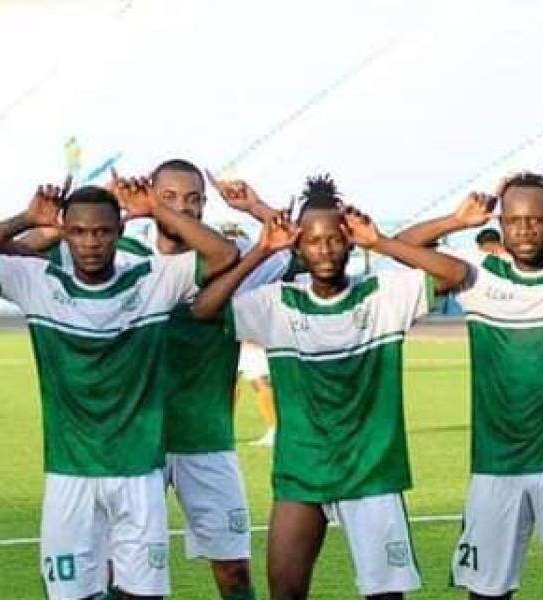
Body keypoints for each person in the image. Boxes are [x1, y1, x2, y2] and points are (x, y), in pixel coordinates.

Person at [0, 181, 239, 600]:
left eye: (102, 231)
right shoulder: (38, 281)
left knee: (143, 595)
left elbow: (224, 255)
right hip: (70, 476)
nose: (90, 242)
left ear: (119, 233)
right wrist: (28, 219)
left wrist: (157, 207)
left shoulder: (154, 280)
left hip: (139, 473)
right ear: (64, 233)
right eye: (79, 232)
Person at [190, 175, 468, 600]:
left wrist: (381, 242)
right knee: (284, 591)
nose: (325, 250)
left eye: (336, 240)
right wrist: (264, 248)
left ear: (350, 242)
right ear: (298, 247)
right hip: (301, 475)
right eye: (314, 241)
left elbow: (455, 272)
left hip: (371, 474)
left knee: (385, 596)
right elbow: (204, 309)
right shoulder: (275, 303)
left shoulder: (383, 296)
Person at [41, 161, 288, 599]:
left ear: (205, 204)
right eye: (169, 197)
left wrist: (256, 207)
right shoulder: (124, 258)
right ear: (150, 196)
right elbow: (46, 247)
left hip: (205, 440)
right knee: (120, 576)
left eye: (193, 199)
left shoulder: (233, 252)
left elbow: (293, 246)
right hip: (133, 448)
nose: (182, 207)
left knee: (234, 572)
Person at [396, 173, 543, 600]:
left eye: (537, 219)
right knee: (486, 593)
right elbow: (405, 248)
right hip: (496, 466)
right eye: (515, 220)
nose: (525, 229)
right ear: (501, 222)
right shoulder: (480, 276)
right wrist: (455, 222)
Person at [238, 341, 276, 447]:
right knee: (239, 383)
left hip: (253, 343)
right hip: (242, 343)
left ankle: (274, 429)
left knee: (260, 382)